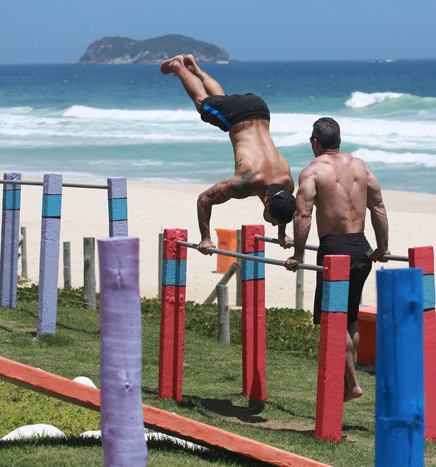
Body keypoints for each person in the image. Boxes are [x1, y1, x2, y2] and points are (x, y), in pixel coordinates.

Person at [284, 117, 390, 402]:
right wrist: (383, 247)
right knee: (351, 318)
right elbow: (377, 205)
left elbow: (303, 214)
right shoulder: (361, 166)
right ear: (339, 141)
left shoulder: (313, 171)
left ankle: (352, 384)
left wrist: (297, 254)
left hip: (335, 248)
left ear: (315, 142)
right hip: (362, 246)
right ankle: (349, 377)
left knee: (334, 320)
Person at [160, 54, 296, 254]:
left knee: (219, 102)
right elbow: (204, 199)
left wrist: (282, 234)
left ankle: (196, 69)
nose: (274, 225)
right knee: (202, 103)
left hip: (259, 108)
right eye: (274, 223)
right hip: (238, 118)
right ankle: (179, 66)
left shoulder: (286, 184)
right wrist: (206, 239)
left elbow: (279, 201)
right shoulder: (246, 183)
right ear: (267, 204)